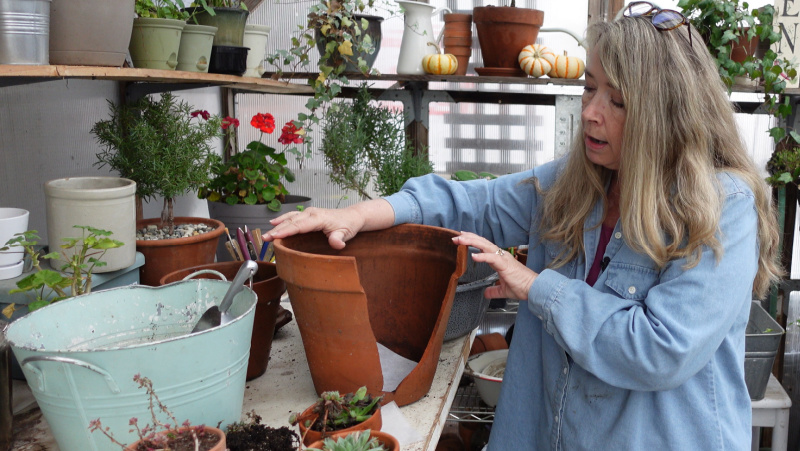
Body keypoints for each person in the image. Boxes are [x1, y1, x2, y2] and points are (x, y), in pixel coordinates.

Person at [263, 4, 782, 449]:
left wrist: (536, 287)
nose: (591, 114)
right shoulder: (580, 182)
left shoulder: (721, 207)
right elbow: (474, 201)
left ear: (670, 115)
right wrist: (355, 214)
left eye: (618, 102)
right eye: (590, 88)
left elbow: (660, 350)